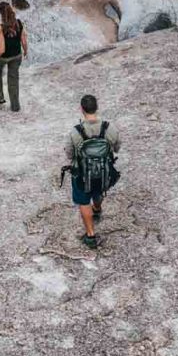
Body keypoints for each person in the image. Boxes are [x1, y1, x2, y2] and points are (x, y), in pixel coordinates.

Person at [64, 94, 120, 249]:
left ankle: (90, 235)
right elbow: (117, 148)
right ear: (97, 107)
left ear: (81, 109)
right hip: (103, 171)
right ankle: (97, 207)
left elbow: (69, 154)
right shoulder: (110, 128)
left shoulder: (75, 132)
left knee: (83, 201)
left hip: (82, 174)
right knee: (99, 189)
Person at [0, 1, 28, 111]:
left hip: (3, 57)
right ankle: (15, 106)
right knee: (13, 81)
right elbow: (24, 41)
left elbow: (1, 50)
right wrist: (25, 51)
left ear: (0, 13)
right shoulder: (19, 23)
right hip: (16, 55)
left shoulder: (0, 27)